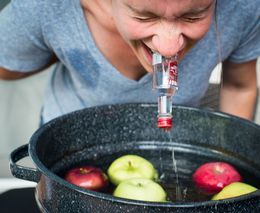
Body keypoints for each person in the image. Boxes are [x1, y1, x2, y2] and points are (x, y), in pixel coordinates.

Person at [0, 0, 259, 124]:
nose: (168, 48)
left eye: (193, 16)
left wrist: (227, 158)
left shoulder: (243, 8)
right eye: (144, 17)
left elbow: (239, 86)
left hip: (175, 143)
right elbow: (5, 66)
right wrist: (62, 45)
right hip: (68, 144)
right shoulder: (48, 6)